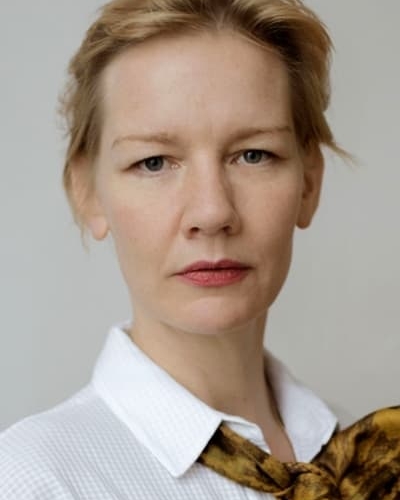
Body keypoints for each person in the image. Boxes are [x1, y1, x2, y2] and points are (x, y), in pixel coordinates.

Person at [3, 1, 397, 499]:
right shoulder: (35, 480)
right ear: (86, 192)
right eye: (153, 162)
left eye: (253, 155)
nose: (212, 212)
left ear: (309, 183)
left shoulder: (369, 461)